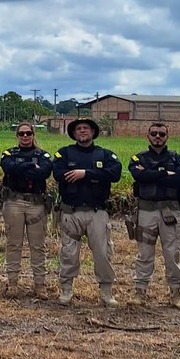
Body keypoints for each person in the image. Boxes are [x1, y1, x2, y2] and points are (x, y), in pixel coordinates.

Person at [53, 118, 122, 307]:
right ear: (74, 133)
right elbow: (58, 174)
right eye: (78, 129)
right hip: (71, 212)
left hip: (97, 212)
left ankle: (106, 293)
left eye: (86, 128)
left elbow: (114, 174)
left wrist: (85, 174)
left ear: (93, 132)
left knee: (103, 253)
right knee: (68, 253)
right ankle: (66, 290)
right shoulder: (64, 153)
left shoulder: (105, 154)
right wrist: (97, 177)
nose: (82, 131)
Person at [128, 122, 180, 310]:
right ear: (148, 136)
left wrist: (151, 173)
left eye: (161, 134)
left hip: (170, 212)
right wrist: (165, 173)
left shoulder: (177, 159)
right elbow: (139, 177)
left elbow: (179, 179)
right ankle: (140, 292)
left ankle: (176, 294)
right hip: (146, 211)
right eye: (154, 133)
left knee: (172, 254)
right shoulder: (138, 158)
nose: (158, 137)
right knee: (144, 253)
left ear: (167, 137)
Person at [0, 122, 53, 298]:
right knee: (13, 244)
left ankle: (40, 285)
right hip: (13, 203)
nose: (25, 136)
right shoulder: (9, 154)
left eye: (28, 133)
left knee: (38, 246)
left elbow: (44, 172)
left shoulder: (43, 154)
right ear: (17, 135)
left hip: (36, 204)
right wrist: (31, 167)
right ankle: (12, 284)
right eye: (21, 133)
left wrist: (20, 168)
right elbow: (8, 167)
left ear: (33, 134)